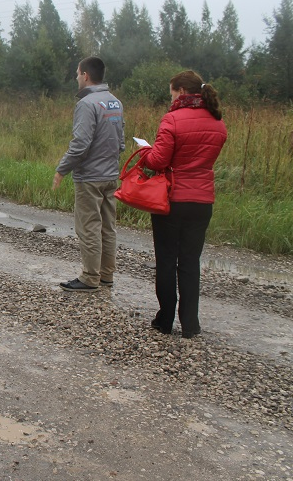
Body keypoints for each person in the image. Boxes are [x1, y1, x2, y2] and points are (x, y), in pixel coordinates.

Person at [140, 70, 227, 338]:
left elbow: (158, 161)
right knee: (190, 262)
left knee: (166, 260)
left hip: (173, 199)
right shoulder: (217, 123)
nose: (170, 98)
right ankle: (191, 324)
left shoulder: (172, 120)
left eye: (171, 93)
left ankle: (165, 319)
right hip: (202, 201)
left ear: (180, 91)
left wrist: (145, 152)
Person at [53, 56, 125, 292]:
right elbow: (121, 143)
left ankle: (89, 277)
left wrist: (62, 169)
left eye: (77, 74)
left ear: (85, 75)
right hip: (110, 175)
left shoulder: (86, 104)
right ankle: (106, 275)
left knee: (89, 226)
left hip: (90, 178)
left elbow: (80, 144)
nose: (76, 78)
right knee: (107, 226)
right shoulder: (115, 102)